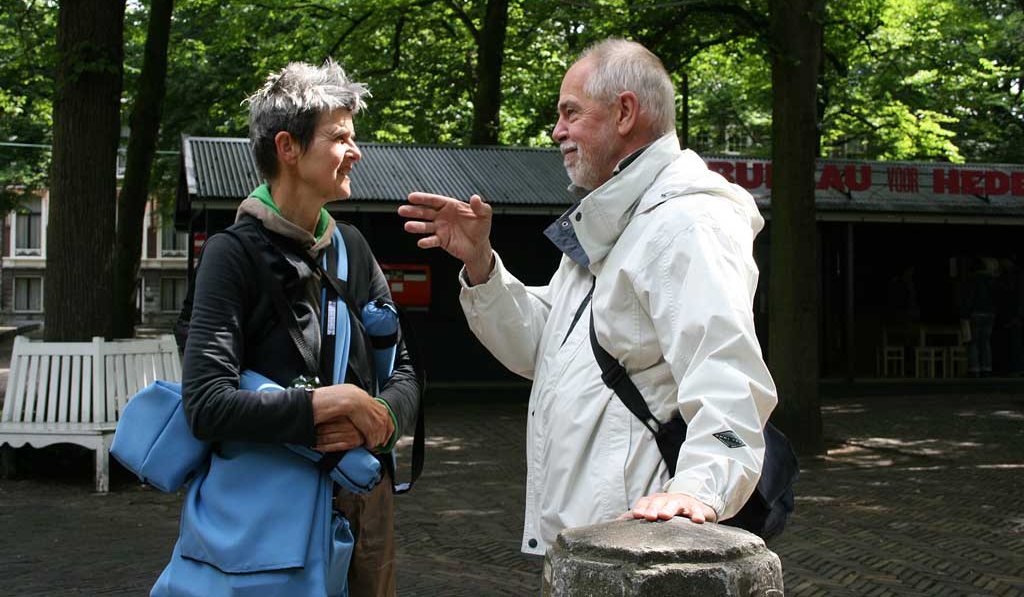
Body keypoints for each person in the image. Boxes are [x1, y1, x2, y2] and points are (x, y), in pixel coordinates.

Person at [399, 38, 777, 555]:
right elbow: (542, 348)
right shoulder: (608, 222)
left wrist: (697, 491)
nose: (557, 131)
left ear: (625, 113)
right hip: (588, 545)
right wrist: (481, 264)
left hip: (642, 546)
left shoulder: (688, 221)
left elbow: (728, 374)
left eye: (570, 113)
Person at [176, 60, 422, 595]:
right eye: (339, 138)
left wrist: (381, 416)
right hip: (269, 514)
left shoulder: (352, 248)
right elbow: (206, 405)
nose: (356, 151)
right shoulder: (231, 255)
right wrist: (328, 406)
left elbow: (403, 371)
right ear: (288, 148)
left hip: (365, 501)